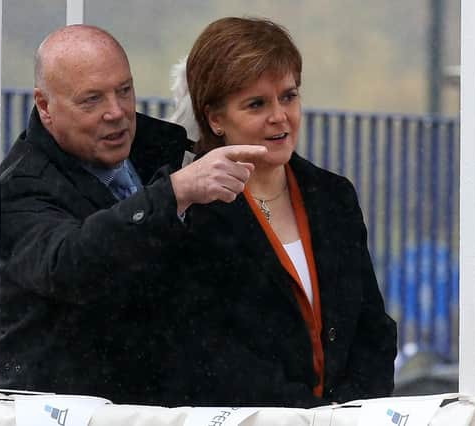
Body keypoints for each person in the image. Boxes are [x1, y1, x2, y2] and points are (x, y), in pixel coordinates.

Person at [0, 24, 266, 403]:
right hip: (77, 408)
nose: (117, 113)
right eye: (91, 100)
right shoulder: (18, 187)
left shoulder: (166, 148)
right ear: (45, 106)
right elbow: (70, 263)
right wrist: (173, 194)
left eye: (125, 90)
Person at [160, 17, 397, 407]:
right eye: (257, 104)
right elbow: (209, 353)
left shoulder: (334, 195)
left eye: (288, 96)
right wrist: (311, 417)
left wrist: (350, 411)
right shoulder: (189, 208)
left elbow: (373, 330)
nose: (279, 116)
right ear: (215, 118)